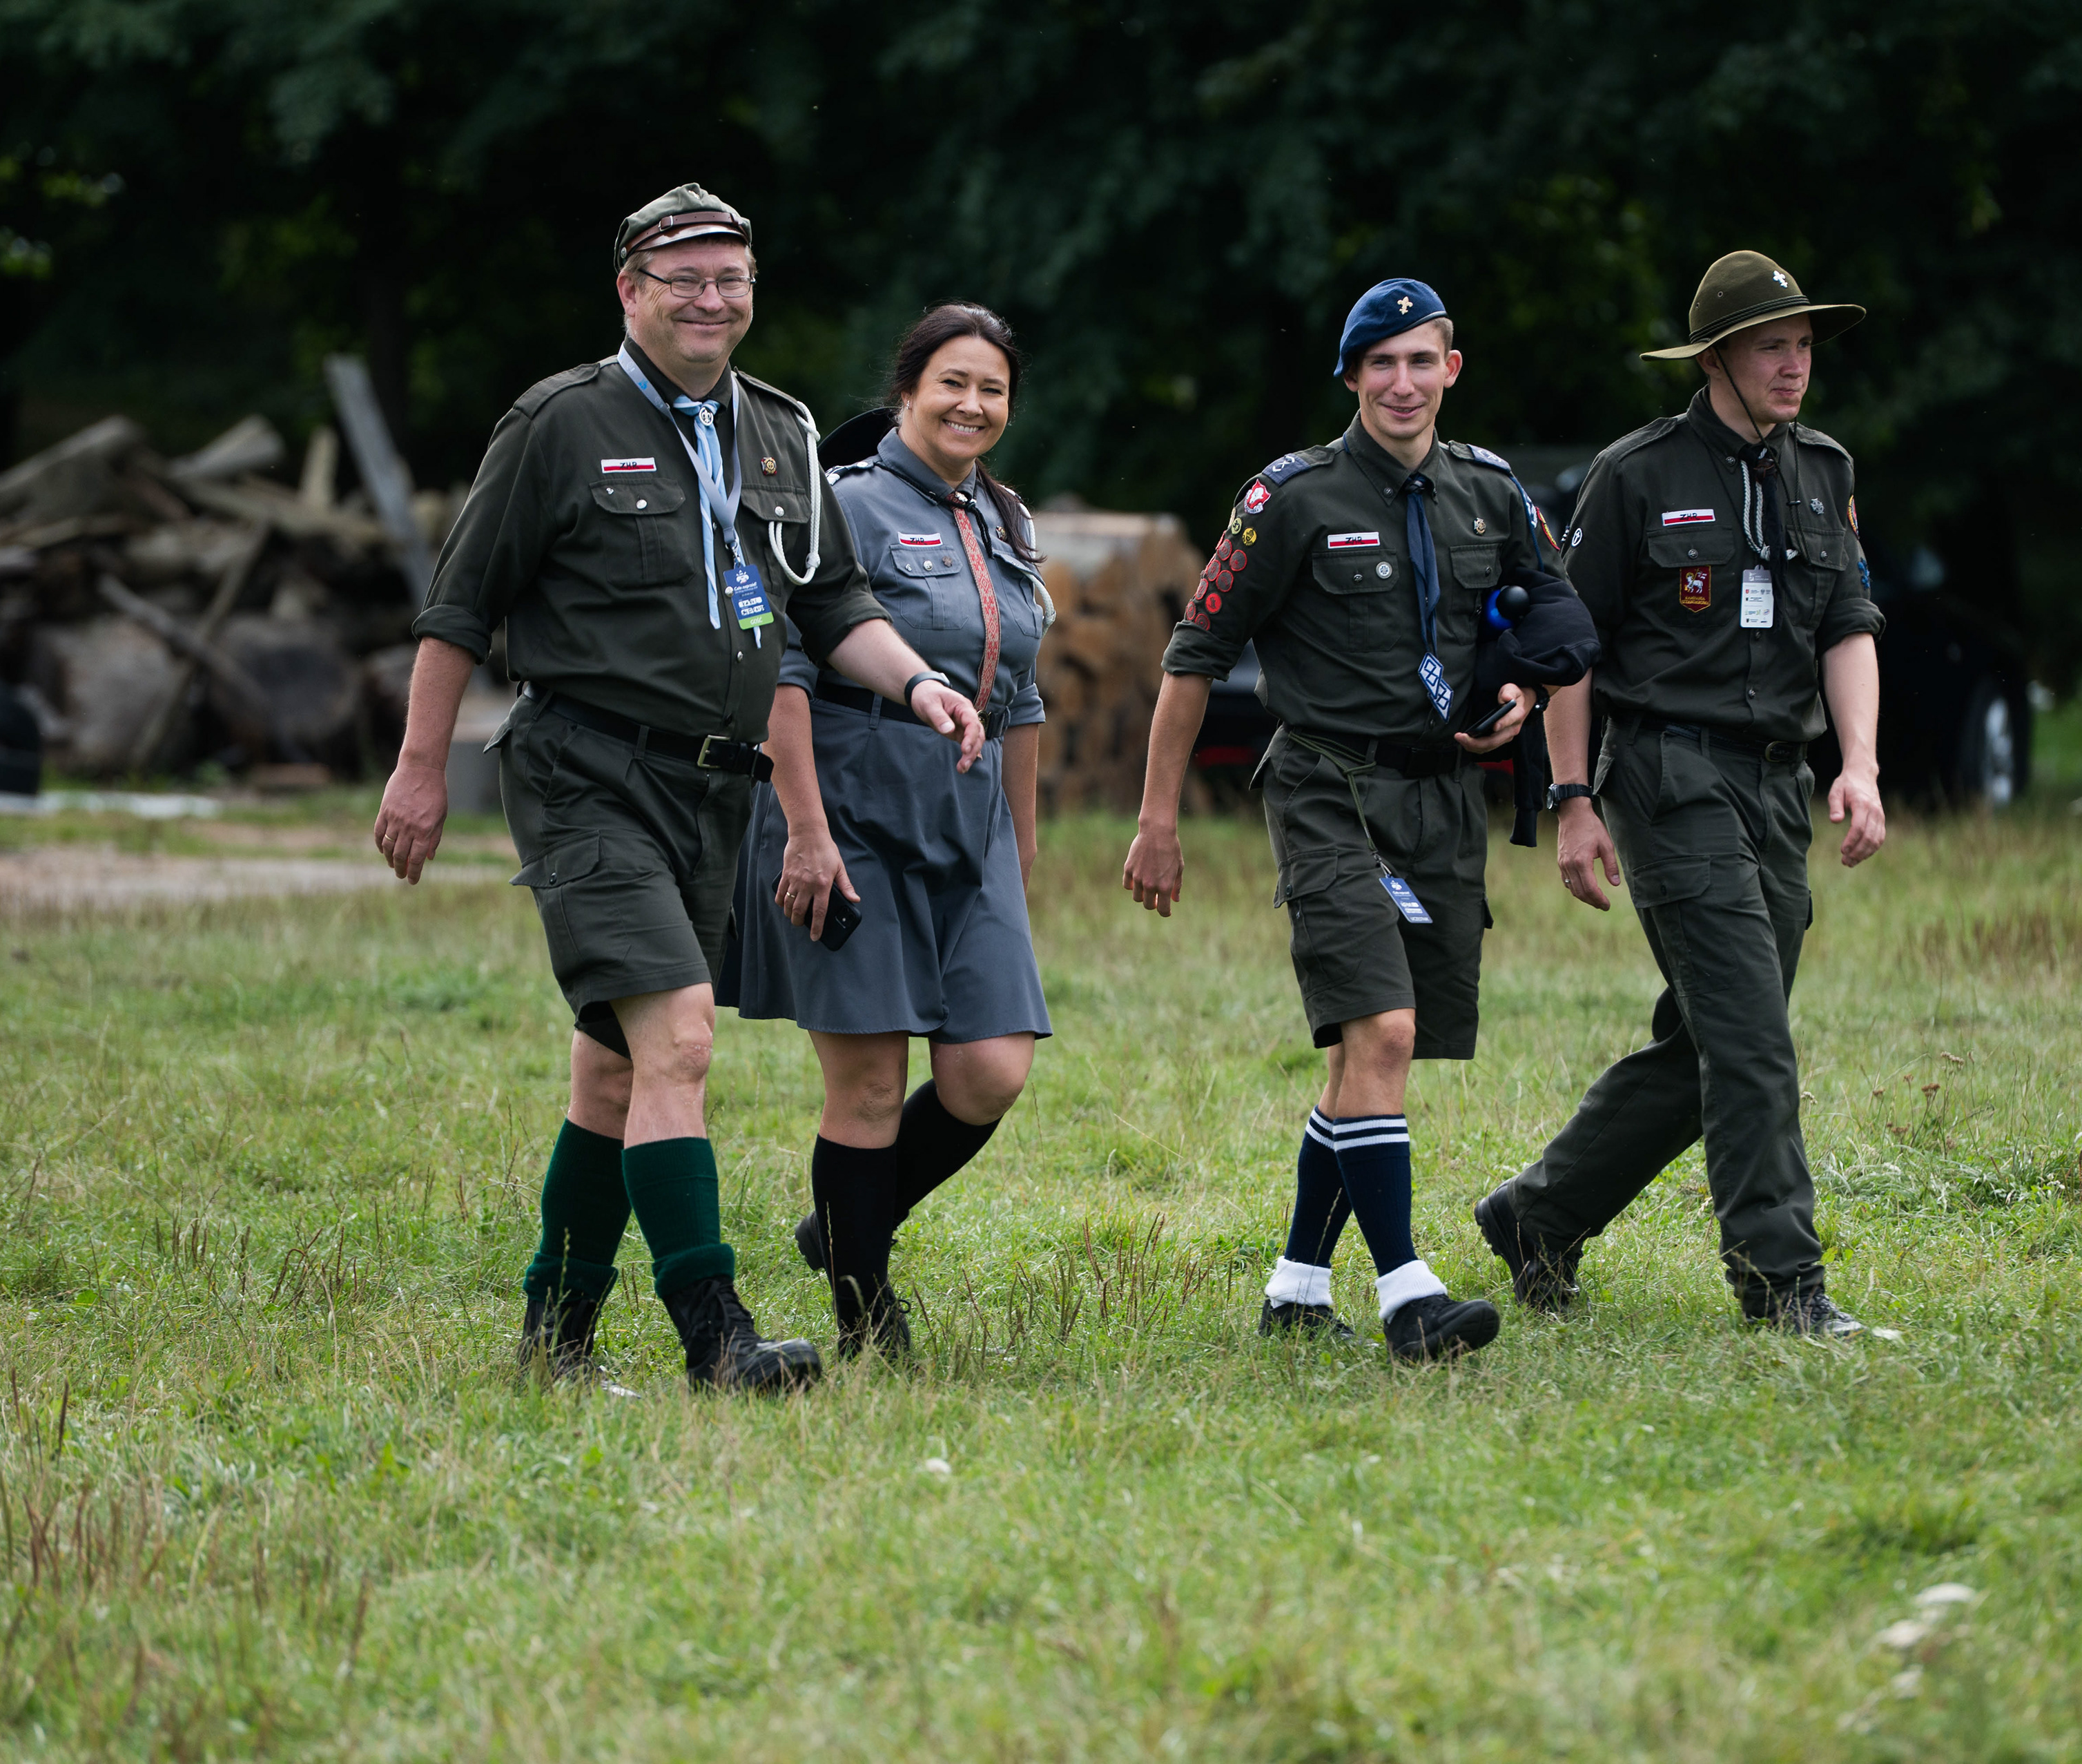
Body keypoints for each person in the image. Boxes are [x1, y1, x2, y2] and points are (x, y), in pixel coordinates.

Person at [371, 184, 989, 1393]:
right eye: (684, 278)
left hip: (717, 794)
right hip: (587, 772)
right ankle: (717, 1335)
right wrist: (419, 770)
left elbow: (832, 606)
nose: (711, 300)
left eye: (731, 279)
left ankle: (555, 1338)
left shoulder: (781, 430)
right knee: (682, 1039)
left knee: (616, 1069)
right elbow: (460, 607)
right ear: (631, 291)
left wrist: (919, 682)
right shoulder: (558, 422)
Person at [1470, 249, 1890, 1337]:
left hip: (1777, 782)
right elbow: (1570, 648)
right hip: (1668, 774)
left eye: (1804, 346)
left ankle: (1538, 1215)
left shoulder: (1824, 469)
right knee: (1751, 1041)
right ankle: (1783, 1285)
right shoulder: (1638, 475)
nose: (1794, 366)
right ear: (1716, 359)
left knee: (1715, 1037)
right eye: (1771, 347)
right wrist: (1572, 800)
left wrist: (1859, 765)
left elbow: (1848, 626)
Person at [1125, 278, 1545, 1364]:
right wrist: (1158, 820)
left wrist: (1523, 696)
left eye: (1421, 360)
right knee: (1384, 1031)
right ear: (1352, 378)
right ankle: (1410, 1295)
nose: (1402, 383)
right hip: (1326, 790)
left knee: (1373, 1054)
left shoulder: (1492, 491)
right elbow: (1194, 658)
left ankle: (1297, 1288)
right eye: (1380, 364)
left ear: (1452, 369)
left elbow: (1549, 618)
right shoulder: (1290, 497)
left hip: (1440, 800)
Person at [717, 303, 1053, 1359]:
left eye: (992, 388)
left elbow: (1023, 696)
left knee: (989, 1070)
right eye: (952, 382)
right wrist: (805, 831)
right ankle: (867, 1316)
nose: (972, 404)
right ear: (907, 390)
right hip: (850, 805)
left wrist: (1022, 843)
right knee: (866, 1081)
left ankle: (844, 1225)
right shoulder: (845, 506)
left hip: (970, 818)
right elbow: (781, 670)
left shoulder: (1008, 520)